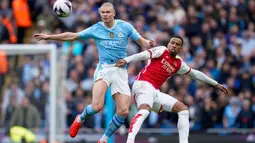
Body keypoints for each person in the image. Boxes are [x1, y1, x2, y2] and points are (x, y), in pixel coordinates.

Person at [34, 2, 156, 143]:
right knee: (97, 106)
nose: (105, 15)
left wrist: (149, 43)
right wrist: (49, 37)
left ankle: (103, 139)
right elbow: (73, 36)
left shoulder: (125, 26)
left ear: (114, 13)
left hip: (120, 71)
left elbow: (142, 42)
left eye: (108, 12)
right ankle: (79, 118)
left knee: (123, 111)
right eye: (102, 12)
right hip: (104, 69)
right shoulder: (96, 28)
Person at [115, 35, 228, 143]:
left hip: (154, 91)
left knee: (183, 109)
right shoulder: (162, 50)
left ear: (181, 48)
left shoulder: (178, 63)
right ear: (168, 44)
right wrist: (126, 60)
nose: (173, 45)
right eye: (172, 43)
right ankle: (130, 140)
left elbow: (195, 74)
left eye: (177, 44)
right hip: (143, 83)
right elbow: (143, 55)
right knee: (144, 111)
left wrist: (216, 84)